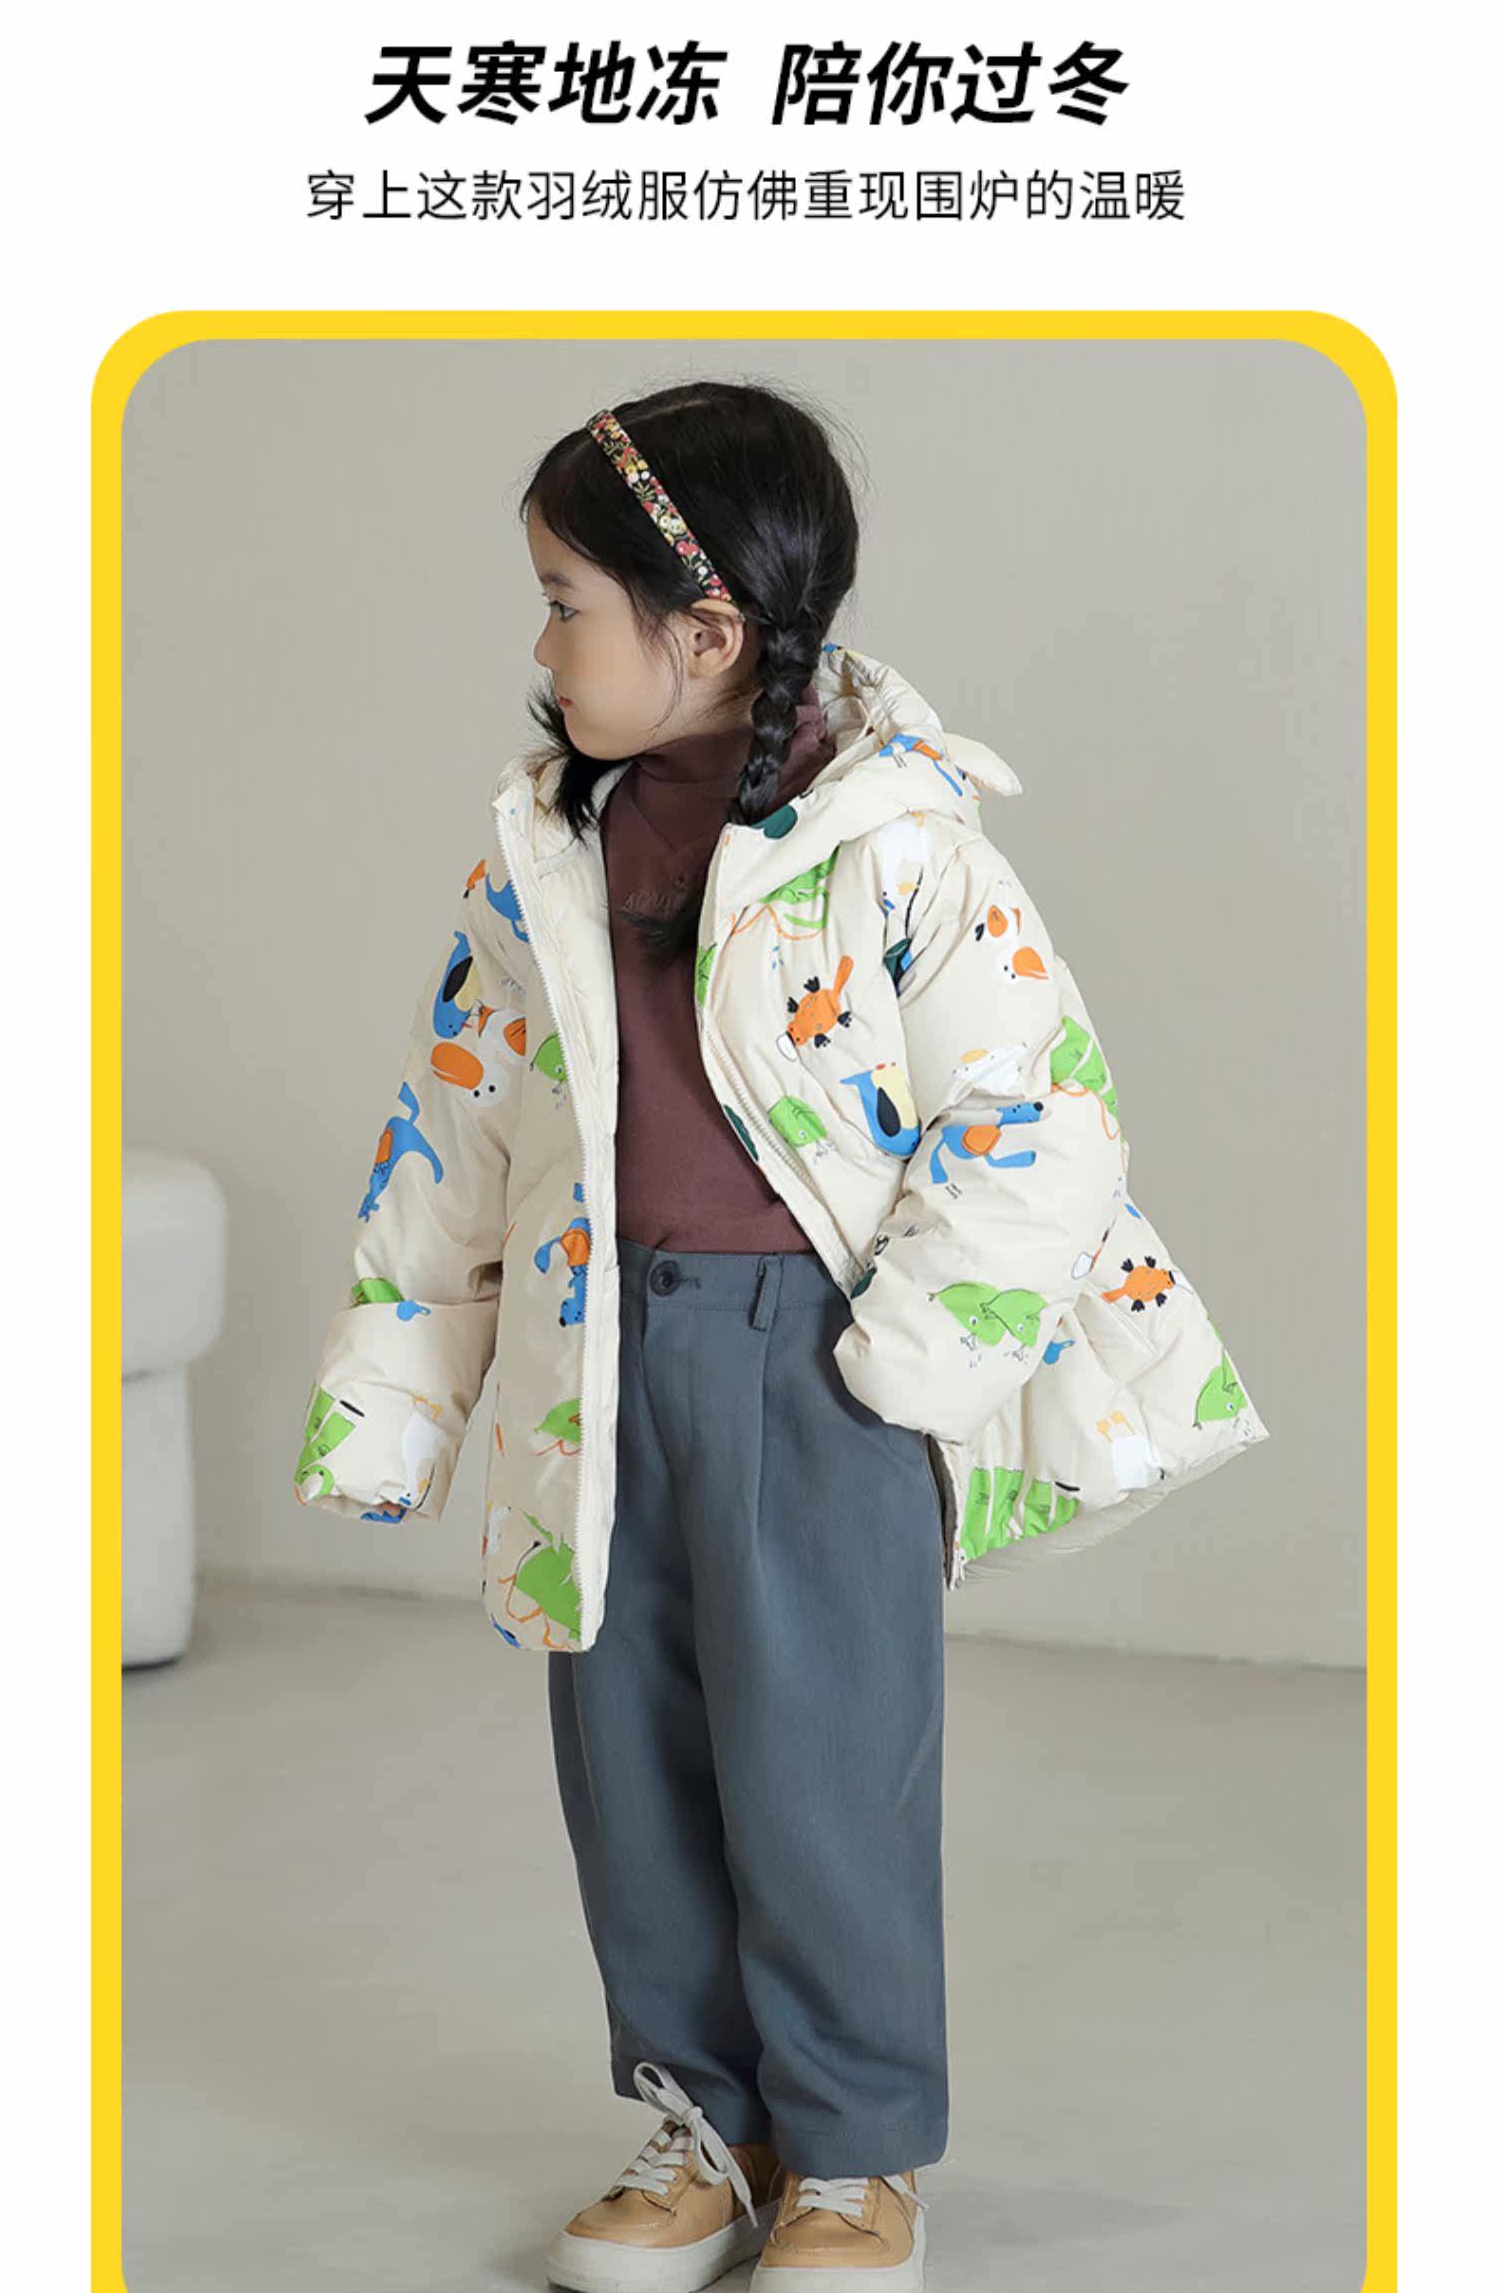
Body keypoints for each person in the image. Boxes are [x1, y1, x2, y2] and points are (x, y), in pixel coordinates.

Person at [292, 381, 1269, 2291]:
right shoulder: (544, 853)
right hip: (599, 1361)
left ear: (709, 627)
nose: (541, 647)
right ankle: (706, 2123)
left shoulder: (897, 845)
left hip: (817, 1369)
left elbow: (1037, 1114)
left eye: (566, 602)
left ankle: (854, 2151)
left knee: (822, 1769)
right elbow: (458, 1127)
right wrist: (401, 1398)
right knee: (629, 1764)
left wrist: (911, 1362)